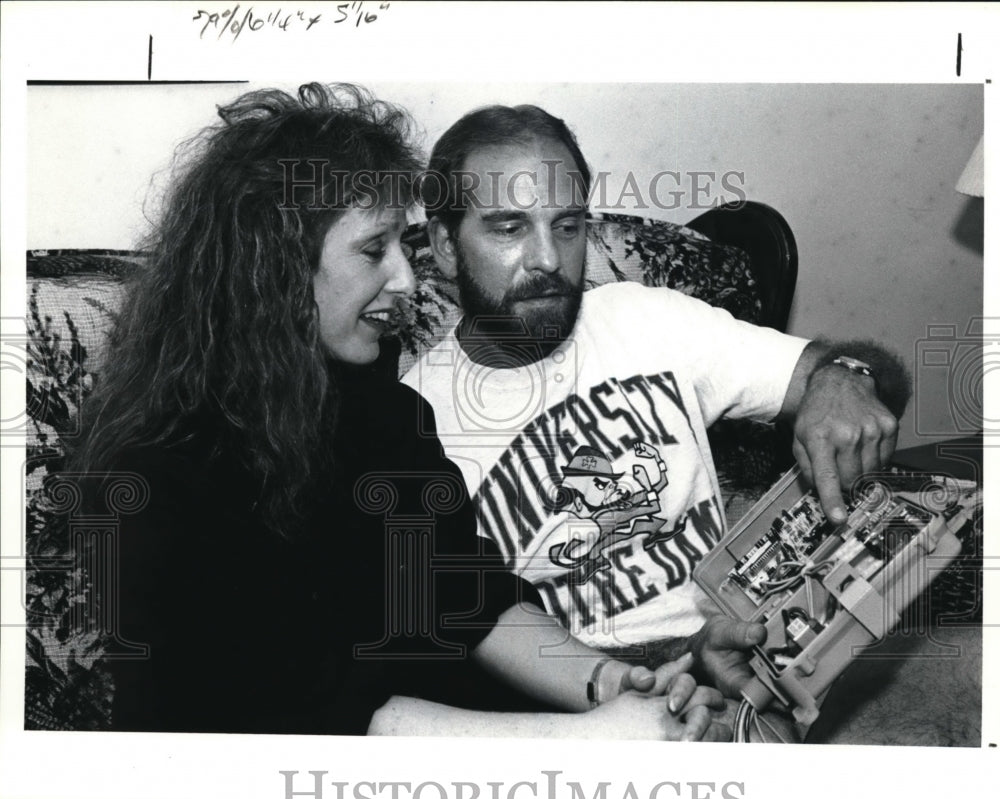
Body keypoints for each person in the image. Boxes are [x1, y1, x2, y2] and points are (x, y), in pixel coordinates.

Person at [67, 84, 728, 739]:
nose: (408, 280)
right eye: (372, 249)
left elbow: (467, 600)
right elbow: (306, 712)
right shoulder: (155, 470)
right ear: (274, 268)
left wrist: (608, 684)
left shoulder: (386, 412)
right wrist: (595, 741)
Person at [401, 104, 911, 701]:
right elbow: (458, 641)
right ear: (445, 245)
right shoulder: (409, 421)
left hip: (760, 643)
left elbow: (869, 379)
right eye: (510, 228)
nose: (547, 259)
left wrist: (845, 379)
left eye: (567, 226)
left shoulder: (645, 318)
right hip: (600, 705)